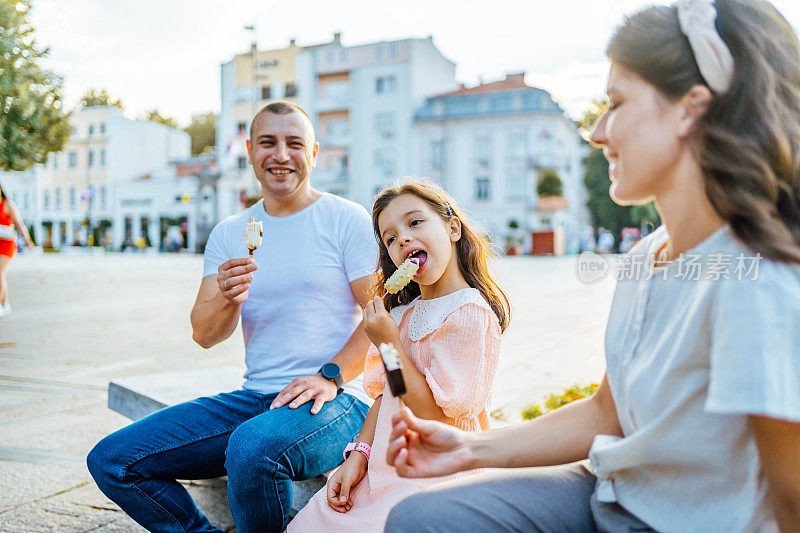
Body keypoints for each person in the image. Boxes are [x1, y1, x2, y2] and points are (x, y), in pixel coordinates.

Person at [384, 1, 800, 531]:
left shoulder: (758, 281)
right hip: (610, 488)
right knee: (420, 519)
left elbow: (793, 503)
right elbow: (608, 412)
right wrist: (469, 448)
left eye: (617, 103)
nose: (597, 132)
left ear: (689, 109)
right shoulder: (645, 258)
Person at [87, 101, 378, 533]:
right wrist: (227, 296)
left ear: (313, 153)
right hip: (256, 398)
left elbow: (381, 318)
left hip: (335, 400)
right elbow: (204, 333)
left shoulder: (345, 220)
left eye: (294, 144)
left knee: (252, 449)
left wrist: (330, 376)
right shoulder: (230, 233)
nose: (280, 154)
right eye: (268, 143)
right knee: (114, 461)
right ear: (249, 151)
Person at [288, 181, 511, 532]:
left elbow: (436, 417)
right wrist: (358, 454)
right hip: (382, 469)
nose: (403, 239)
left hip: (436, 475)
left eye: (415, 223)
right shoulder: (403, 314)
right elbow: (389, 393)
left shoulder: (470, 313)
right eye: (390, 238)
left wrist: (389, 344)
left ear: (453, 228)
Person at [0, 182, 34, 317]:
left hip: (7, 244)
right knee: (1, 274)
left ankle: (1, 304)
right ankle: (6, 303)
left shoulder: (8, 204)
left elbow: (19, 224)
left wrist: (27, 240)